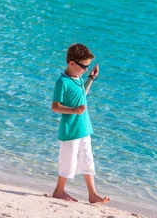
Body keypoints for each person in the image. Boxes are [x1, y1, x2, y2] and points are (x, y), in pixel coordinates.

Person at [51, 43, 110, 204]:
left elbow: (82, 94)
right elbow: (55, 106)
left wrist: (90, 78)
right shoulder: (62, 82)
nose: (85, 69)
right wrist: (74, 110)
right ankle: (59, 191)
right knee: (68, 160)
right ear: (71, 63)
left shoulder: (77, 78)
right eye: (83, 66)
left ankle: (92, 194)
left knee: (87, 160)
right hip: (71, 129)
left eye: (87, 66)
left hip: (84, 127)